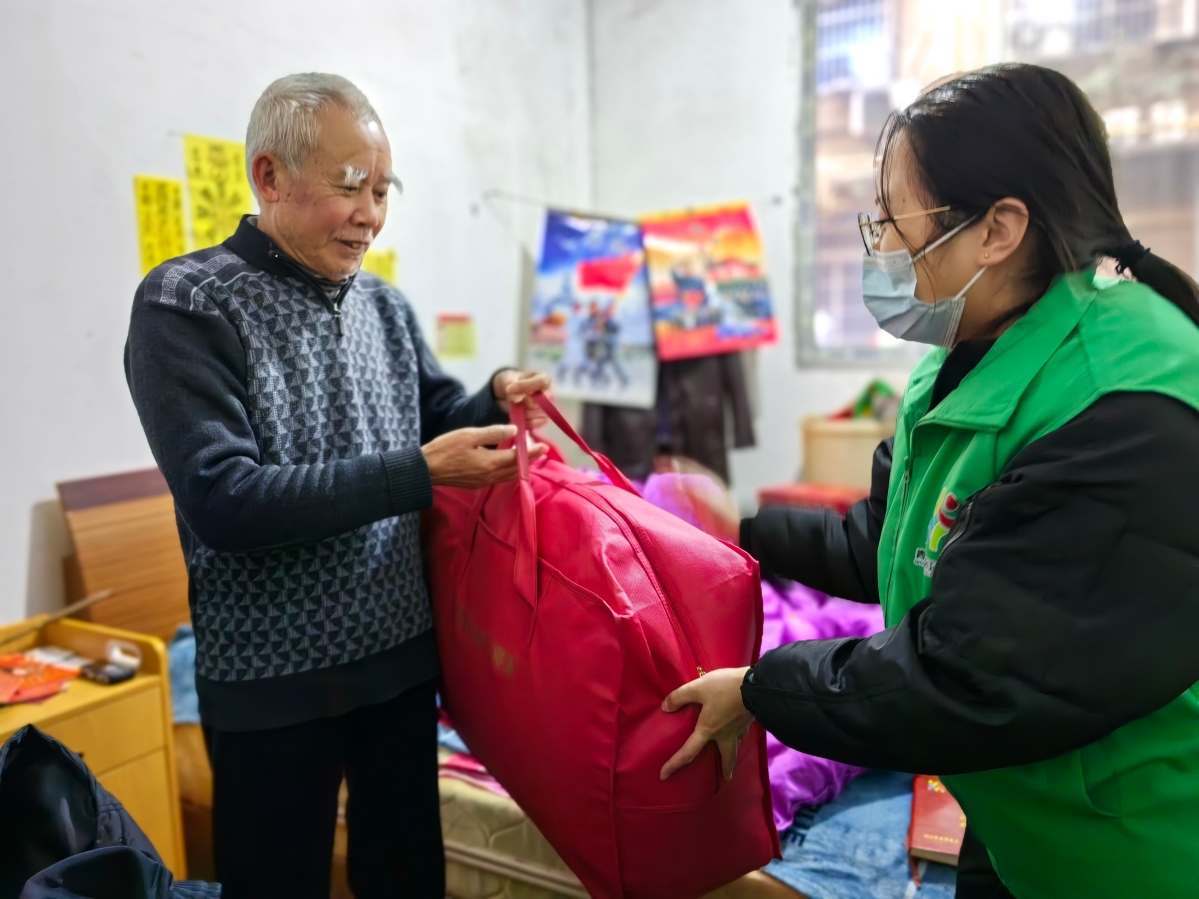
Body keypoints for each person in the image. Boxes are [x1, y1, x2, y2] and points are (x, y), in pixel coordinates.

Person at [661, 64, 1199, 899]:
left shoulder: (1125, 411)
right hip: (1016, 806)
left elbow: (966, 675)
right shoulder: (966, 357)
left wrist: (762, 688)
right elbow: (894, 541)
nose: (879, 246)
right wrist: (739, 528)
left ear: (997, 229)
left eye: (893, 220)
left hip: (1123, 846)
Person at [124, 73, 550, 899]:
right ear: (269, 177)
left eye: (383, 191)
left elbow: (433, 418)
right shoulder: (185, 302)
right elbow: (225, 500)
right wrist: (419, 473)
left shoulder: (382, 306)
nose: (370, 214)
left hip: (397, 662)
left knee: (406, 877)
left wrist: (492, 395)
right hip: (270, 682)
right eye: (351, 186)